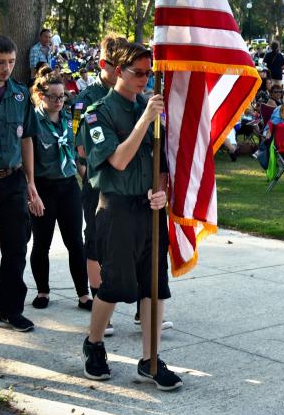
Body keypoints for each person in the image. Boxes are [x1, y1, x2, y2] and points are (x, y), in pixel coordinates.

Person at [79, 41, 182, 391]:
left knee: (155, 285)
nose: (144, 79)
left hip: (148, 209)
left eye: (148, 73)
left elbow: (161, 162)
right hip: (117, 208)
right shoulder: (99, 113)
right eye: (138, 73)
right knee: (116, 284)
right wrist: (145, 120)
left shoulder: (148, 105)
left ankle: (150, 360)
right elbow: (119, 160)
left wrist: (162, 191)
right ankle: (94, 344)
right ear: (117, 70)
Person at [0, 34, 44, 332]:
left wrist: (30, 181)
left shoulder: (19, 94)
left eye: (11, 62)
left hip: (12, 179)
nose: (6, 68)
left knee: (17, 247)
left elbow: (27, 137)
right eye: (0, 62)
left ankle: (11, 308)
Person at [28, 68, 91, 311]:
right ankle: (43, 291)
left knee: (75, 241)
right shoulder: (33, 121)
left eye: (62, 96)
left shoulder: (69, 118)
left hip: (67, 186)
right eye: (53, 97)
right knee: (41, 243)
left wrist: (85, 176)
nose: (58, 101)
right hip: (43, 187)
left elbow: (77, 151)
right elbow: (28, 158)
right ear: (41, 96)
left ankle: (83, 294)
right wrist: (30, 191)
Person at [73, 35, 122, 336]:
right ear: (104, 65)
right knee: (95, 239)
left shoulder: (132, 95)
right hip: (98, 178)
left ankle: (144, 308)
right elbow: (80, 140)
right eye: (119, 66)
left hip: (127, 180)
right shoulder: (87, 97)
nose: (124, 72)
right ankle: (99, 301)